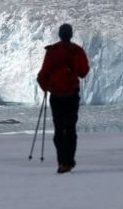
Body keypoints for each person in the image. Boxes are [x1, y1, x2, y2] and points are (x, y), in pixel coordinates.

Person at [37, 23, 90, 174]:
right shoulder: (77, 51)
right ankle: (68, 161)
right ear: (71, 34)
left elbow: (42, 75)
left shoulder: (52, 51)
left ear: (60, 35)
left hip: (56, 97)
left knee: (59, 129)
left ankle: (62, 162)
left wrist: (47, 88)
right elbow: (84, 72)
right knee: (70, 129)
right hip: (72, 96)